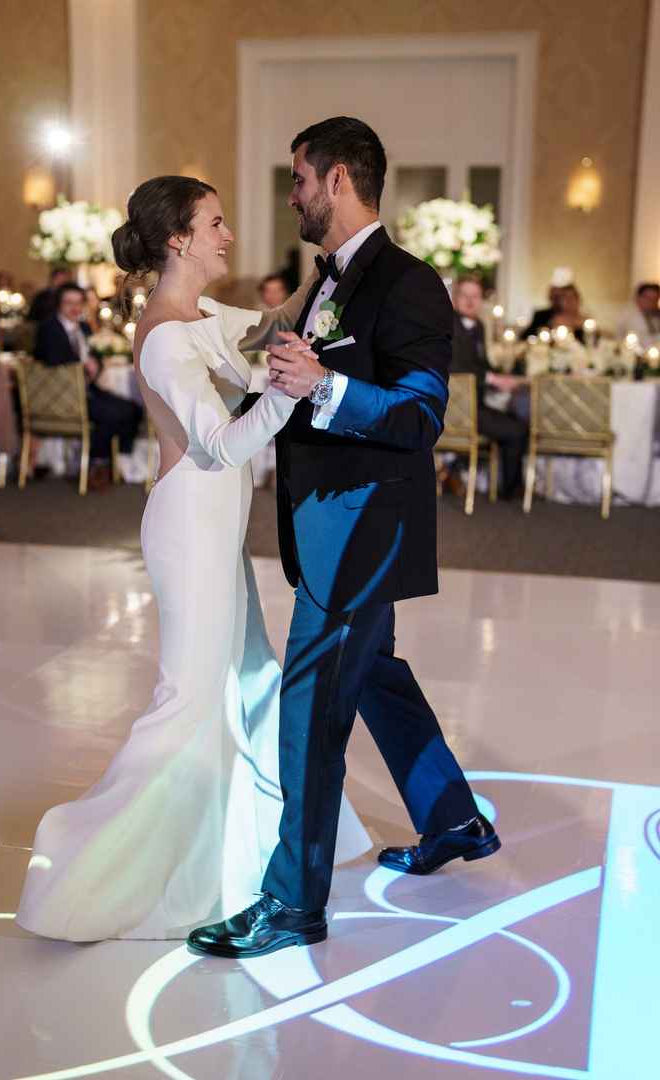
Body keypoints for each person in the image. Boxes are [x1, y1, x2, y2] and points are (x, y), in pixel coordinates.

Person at [15, 175, 370, 942]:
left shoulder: (202, 314)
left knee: (254, 679)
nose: (227, 235)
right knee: (188, 698)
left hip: (216, 526)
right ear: (178, 239)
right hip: (188, 527)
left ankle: (300, 841)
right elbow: (222, 442)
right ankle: (87, 874)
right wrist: (287, 388)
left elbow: (268, 324)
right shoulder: (169, 336)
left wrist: (329, 272)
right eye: (215, 222)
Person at [189, 117, 500, 961]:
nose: (290, 194)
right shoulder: (320, 282)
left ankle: (293, 902)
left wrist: (326, 386)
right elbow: (262, 349)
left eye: (297, 178)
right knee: (375, 679)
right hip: (327, 525)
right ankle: (453, 816)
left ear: (335, 180)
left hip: (363, 530)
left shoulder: (409, 284)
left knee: (311, 704)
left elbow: (422, 415)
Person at [34, 283, 143, 490]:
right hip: (60, 395)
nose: (74, 308)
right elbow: (52, 360)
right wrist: (83, 365)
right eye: (68, 303)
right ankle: (97, 462)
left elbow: (94, 357)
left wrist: (96, 364)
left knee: (133, 409)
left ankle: (108, 461)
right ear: (59, 305)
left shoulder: (83, 327)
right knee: (114, 415)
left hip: (88, 390)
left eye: (78, 303)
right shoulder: (49, 328)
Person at [450, 275, 527, 499]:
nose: (471, 301)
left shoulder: (480, 326)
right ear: (455, 299)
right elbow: (456, 366)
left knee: (516, 417)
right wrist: (493, 379)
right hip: (459, 410)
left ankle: (506, 485)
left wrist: (505, 375)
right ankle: (510, 492)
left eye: (475, 296)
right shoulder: (448, 324)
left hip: (477, 403)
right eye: (465, 296)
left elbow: (481, 365)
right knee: (517, 430)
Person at [616, 282, 660, 348]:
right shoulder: (628, 316)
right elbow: (641, 342)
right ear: (638, 297)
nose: (651, 302)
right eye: (648, 298)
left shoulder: (656, 315)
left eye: (655, 299)